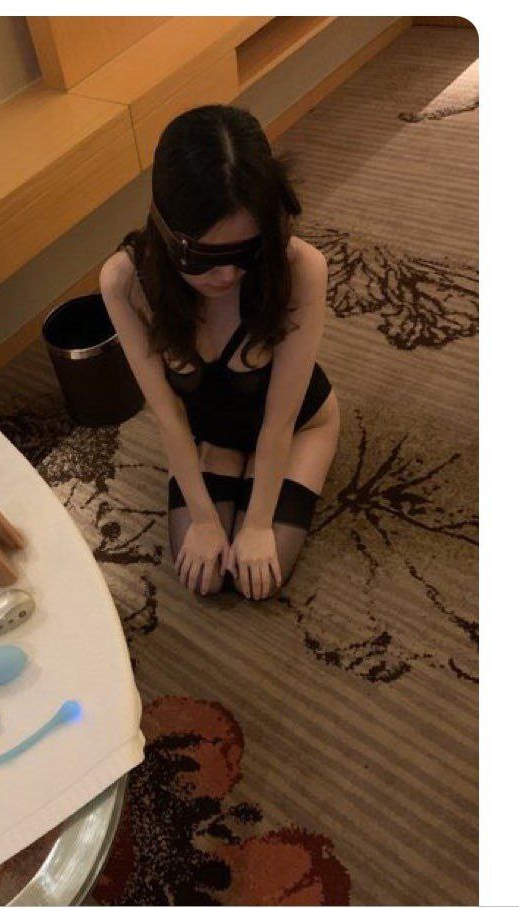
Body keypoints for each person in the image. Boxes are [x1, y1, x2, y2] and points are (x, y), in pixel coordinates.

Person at [99, 104, 340, 600]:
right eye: (203, 257)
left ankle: (251, 483)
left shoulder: (300, 268)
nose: (227, 276)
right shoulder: (126, 282)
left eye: (246, 252)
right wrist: (207, 521)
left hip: (298, 425)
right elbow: (169, 418)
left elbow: (280, 420)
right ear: (164, 229)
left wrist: (257, 526)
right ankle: (233, 470)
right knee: (206, 578)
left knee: (260, 581)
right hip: (210, 434)